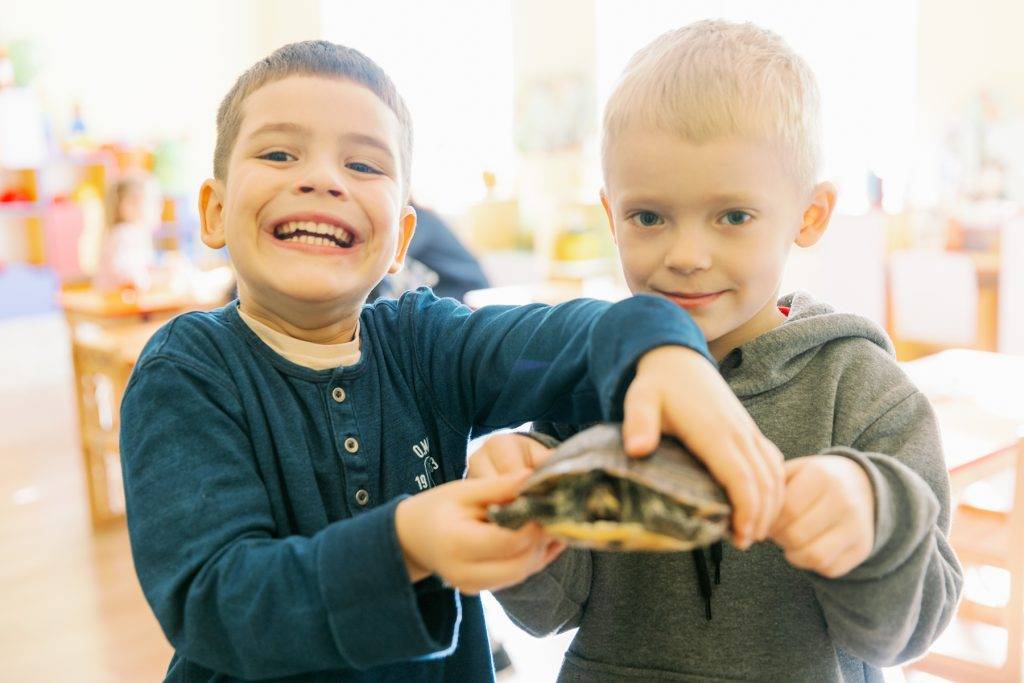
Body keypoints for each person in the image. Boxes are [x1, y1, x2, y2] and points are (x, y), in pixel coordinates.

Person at [118, 40, 784, 682]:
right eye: (280, 152)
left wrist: (660, 346)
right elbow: (215, 601)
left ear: (400, 238)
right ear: (213, 210)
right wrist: (404, 543)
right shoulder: (187, 371)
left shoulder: (424, 341)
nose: (321, 179)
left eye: (363, 166)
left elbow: (565, 340)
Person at [478, 20, 963, 682]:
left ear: (810, 214)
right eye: (649, 216)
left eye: (733, 216)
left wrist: (873, 517)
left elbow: (906, 635)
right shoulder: (594, 379)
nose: (686, 256)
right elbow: (550, 611)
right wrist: (522, 514)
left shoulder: (863, 389)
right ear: (610, 215)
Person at [369, 202, 490, 302]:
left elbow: (391, 256)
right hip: (453, 286)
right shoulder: (424, 217)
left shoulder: (420, 219)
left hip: (466, 288)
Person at [94, 174, 160, 292]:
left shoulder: (138, 234)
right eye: (153, 202)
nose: (159, 209)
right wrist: (157, 279)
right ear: (129, 206)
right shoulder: (125, 234)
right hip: (115, 306)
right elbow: (130, 277)